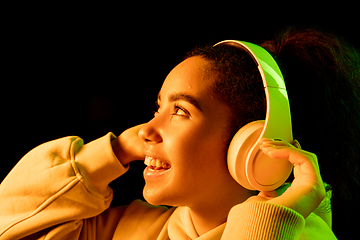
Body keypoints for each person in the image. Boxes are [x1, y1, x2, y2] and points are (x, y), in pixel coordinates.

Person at [1, 26, 358, 239]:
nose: (146, 130)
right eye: (158, 108)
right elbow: (10, 220)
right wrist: (113, 152)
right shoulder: (126, 227)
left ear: (252, 143)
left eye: (180, 111)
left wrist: (270, 222)